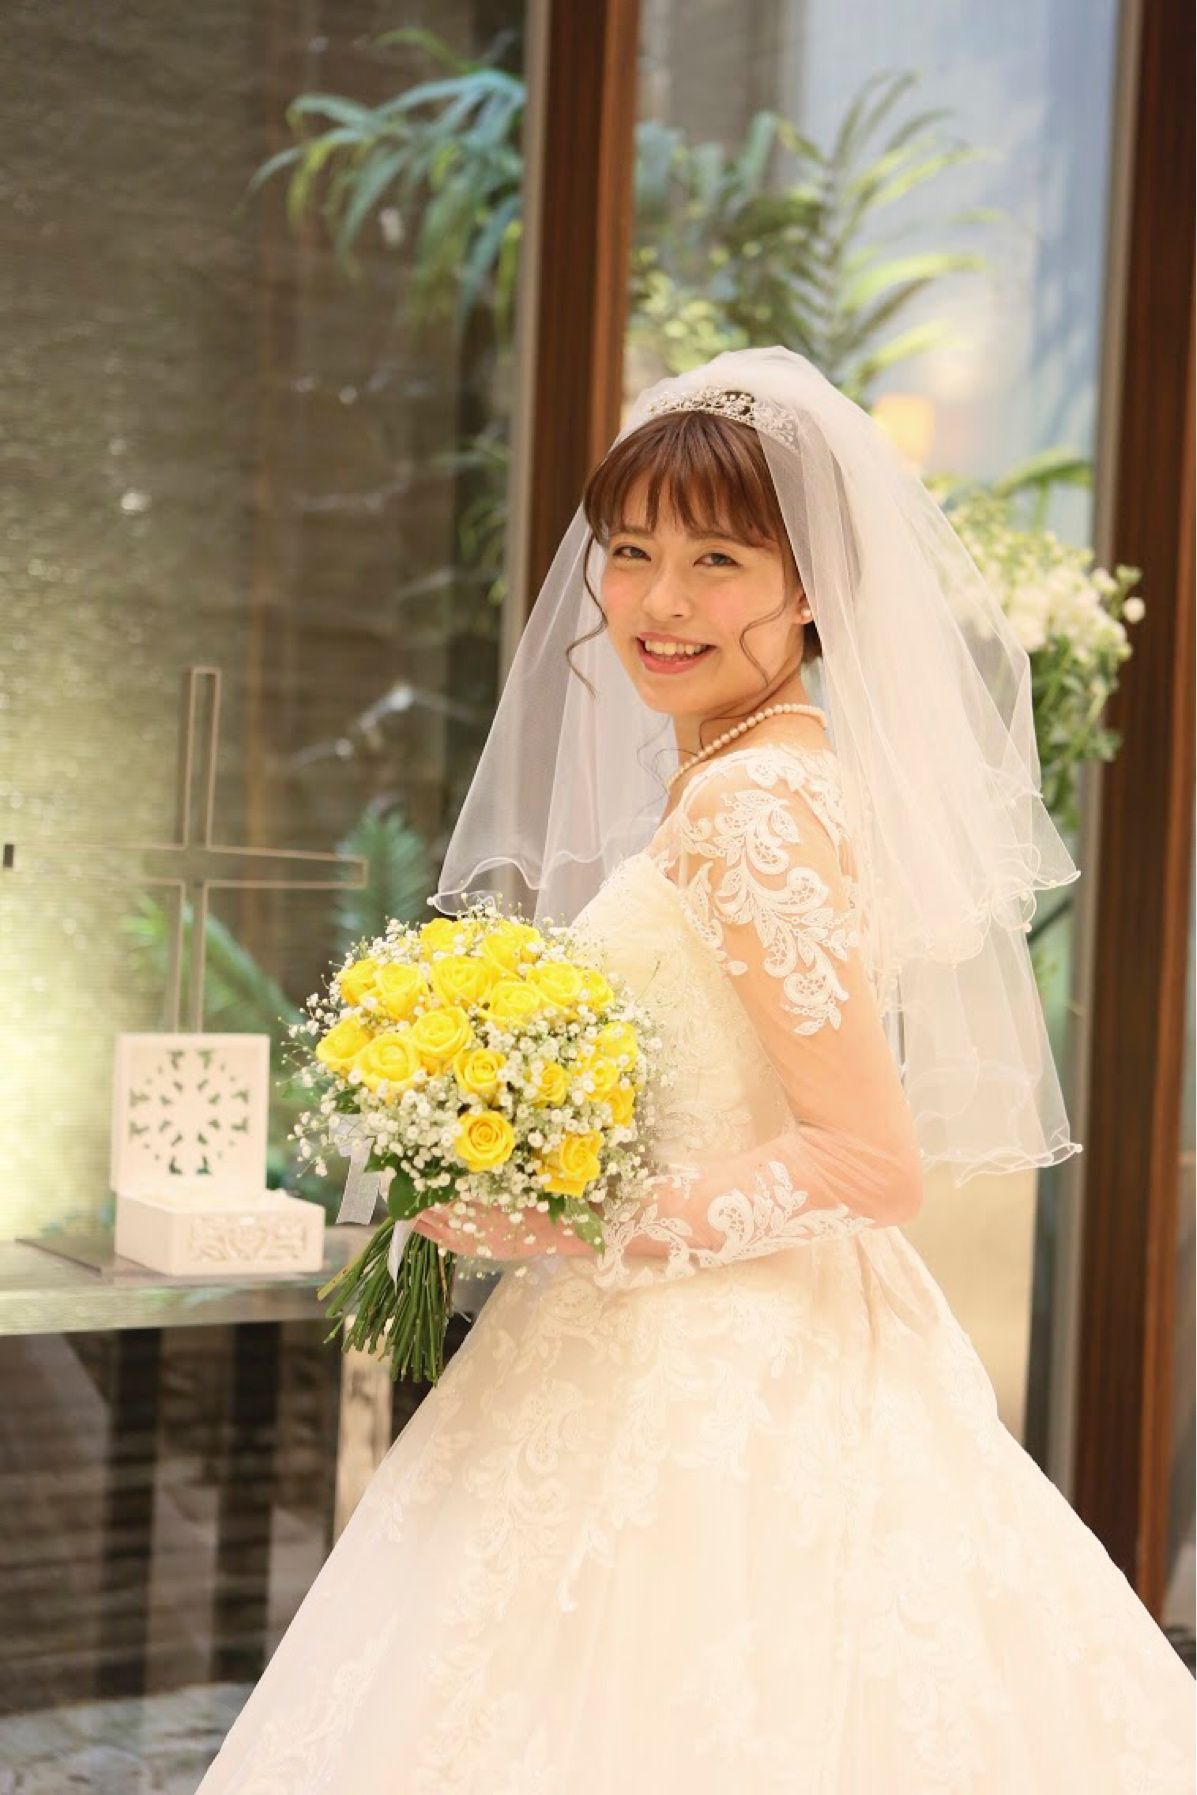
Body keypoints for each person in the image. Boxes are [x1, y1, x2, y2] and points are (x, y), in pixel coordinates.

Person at [196, 348, 1195, 1793]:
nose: (660, 602)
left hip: (725, 1374)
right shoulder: (752, 773)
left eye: (716, 560)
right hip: (693, 1332)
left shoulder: (751, 807)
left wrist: (572, 1218)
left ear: (810, 592)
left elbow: (870, 1162)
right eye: (631, 552)